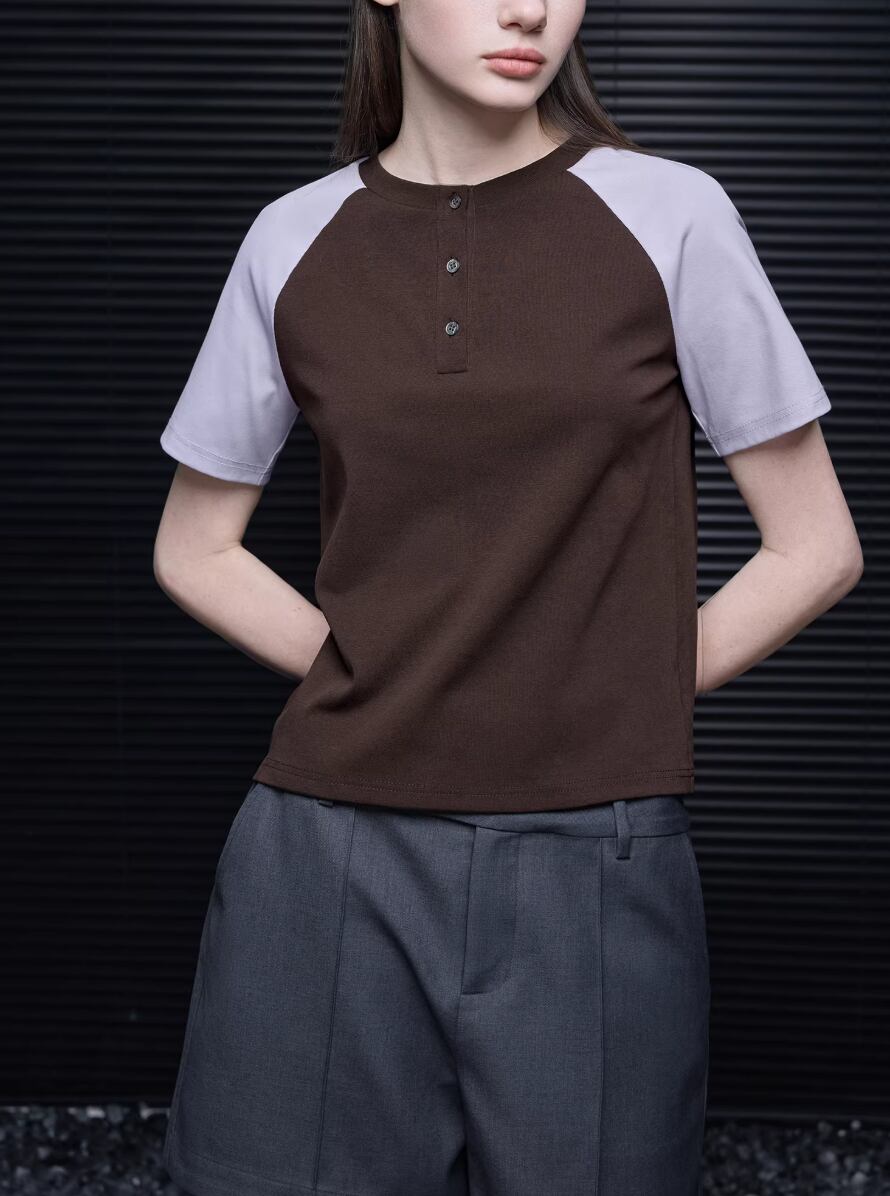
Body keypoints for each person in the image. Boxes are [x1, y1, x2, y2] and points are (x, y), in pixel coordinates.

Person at [153, 1, 864, 1193]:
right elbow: (193, 546)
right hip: (323, 855)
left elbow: (814, 547)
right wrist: (383, 669)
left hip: (592, 854)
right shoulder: (292, 236)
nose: (529, 7)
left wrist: (602, 691)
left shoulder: (670, 212)